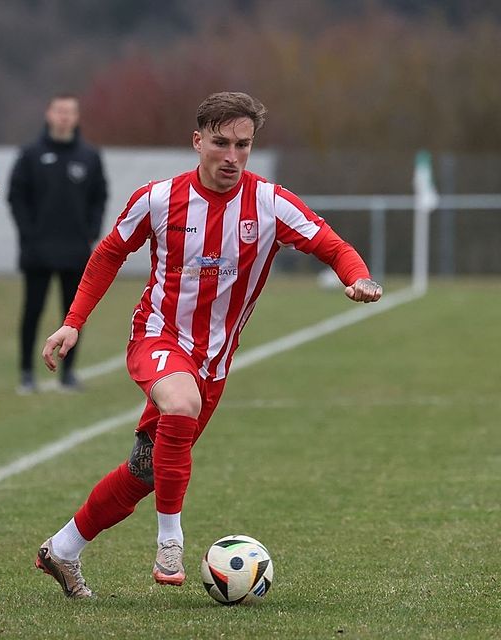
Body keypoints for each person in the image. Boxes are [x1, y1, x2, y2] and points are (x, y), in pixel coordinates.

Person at [34, 92, 383, 598]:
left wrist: (358, 277)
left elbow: (331, 244)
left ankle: (61, 551)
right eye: (220, 143)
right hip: (157, 336)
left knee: (144, 471)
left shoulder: (269, 203)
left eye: (243, 145)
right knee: (180, 401)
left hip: (214, 361)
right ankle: (169, 543)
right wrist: (73, 321)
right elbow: (109, 253)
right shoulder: (157, 199)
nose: (232, 156)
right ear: (197, 141)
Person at [8, 94, 108, 394]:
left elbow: (99, 198)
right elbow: (16, 198)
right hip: (38, 250)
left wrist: (91, 232)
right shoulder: (30, 155)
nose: (64, 116)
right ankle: (27, 372)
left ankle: (68, 373)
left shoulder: (89, 157)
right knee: (33, 310)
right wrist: (29, 233)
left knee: (74, 313)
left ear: (77, 117)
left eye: (70, 111)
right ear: (49, 113)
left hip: (75, 250)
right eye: (59, 110)